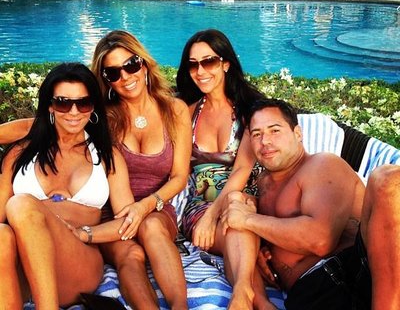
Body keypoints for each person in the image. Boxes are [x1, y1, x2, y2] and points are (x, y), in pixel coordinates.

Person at [221, 98, 400, 310]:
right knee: (236, 203)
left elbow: (320, 240)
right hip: (310, 295)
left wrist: (249, 220)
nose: (265, 141)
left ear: (298, 134)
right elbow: (232, 240)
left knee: (387, 180)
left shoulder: (322, 165)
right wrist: (261, 295)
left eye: (275, 130)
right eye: (257, 134)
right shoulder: (262, 187)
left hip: (355, 273)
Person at [0, 63, 138, 308]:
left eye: (83, 103)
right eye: (63, 103)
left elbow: (127, 222)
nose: (74, 112)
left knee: (20, 204)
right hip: (23, 263)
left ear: (92, 107)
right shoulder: (20, 153)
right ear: (50, 106)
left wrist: (86, 233)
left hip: (76, 262)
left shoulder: (106, 156)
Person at [91, 30, 192, 310]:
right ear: (106, 80)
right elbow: (46, 122)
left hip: (156, 207)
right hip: (112, 213)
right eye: (113, 73)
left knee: (151, 226)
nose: (125, 77)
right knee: (130, 255)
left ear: (144, 64)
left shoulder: (175, 110)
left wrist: (145, 206)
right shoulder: (101, 117)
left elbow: (179, 176)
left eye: (131, 65)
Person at [176, 29, 273, 309]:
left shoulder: (249, 110)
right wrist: (207, 217)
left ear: (225, 64)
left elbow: (242, 169)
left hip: (245, 200)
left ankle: (248, 296)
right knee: (238, 228)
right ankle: (253, 297)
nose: (200, 71)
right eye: (193, 65)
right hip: (200, 207)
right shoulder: (188, 112)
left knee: (238, 211)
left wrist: (214, 217)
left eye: (208, 62)